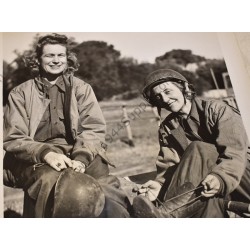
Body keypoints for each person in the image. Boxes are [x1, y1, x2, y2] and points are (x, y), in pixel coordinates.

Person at [3, 33, 131, 218]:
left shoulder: (82, 88)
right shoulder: (20, 93)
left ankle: (119, 217)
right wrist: (46, 154)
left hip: (76, 152)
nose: (56, 60)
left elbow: (93, 129)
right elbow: (14, 137)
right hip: (33, 158)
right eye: (49, 56)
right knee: (50, 179)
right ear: (38, 60)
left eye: (60, 55)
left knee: (101, 175)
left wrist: (81, 158)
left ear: (67, 58)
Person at [133, 68, 250, 218]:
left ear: (185, 88)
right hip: (212, 186)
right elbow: (171, 166)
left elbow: (235, 152)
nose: (164, 99)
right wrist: (160, 185)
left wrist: (220, 178)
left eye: (168, 92)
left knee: (199, 148)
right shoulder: (168, 127)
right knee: (205, 197)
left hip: (242, 175)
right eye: (158, 96)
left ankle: (167, 215)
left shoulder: (217, 110)